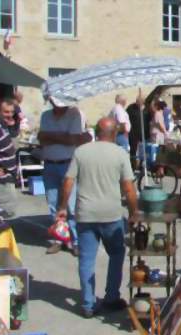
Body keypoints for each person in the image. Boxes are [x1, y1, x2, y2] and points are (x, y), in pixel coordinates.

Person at [57, 117, 138, 318]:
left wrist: (62, 207)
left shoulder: (81, 151)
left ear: (96, 131)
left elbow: (68, 182)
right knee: (117, 254)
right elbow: (129, 188)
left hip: (85, 214)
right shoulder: (120, 154)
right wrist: (134, 213)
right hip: (111, 214)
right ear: (114, 133)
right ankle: (111, 296)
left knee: (86, 260)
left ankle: (88, 304)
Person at [38, 96, 92, 256]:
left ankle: (75, 241)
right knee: (53, 202)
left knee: (71, 204)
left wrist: (51, 136)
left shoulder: (75, 114)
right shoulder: (45, 115)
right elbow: (41, 138)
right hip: (50, 163)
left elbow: (73, 140)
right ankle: (59, 238)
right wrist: (62, 137)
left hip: (68, 163)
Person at [126, 94, 150, 168]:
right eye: (136, 101)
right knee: (133, 151)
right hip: (133, 134)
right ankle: (132, 165)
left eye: (139, 101)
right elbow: (126, 118)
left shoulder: (147, 109)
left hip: (144, 134)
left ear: (143, 102)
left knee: (143, 151)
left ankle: (142, 166)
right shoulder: (131, 108)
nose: (137, 103)